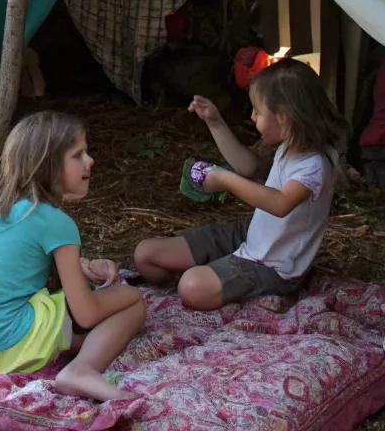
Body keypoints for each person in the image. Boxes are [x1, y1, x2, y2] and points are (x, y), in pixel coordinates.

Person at [0, 110, 146, 402]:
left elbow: (22, 267)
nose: (90, 161)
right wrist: (120, 293)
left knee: (88, 309)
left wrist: (83, 268)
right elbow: (86, 312)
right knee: (132, 300)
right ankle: (82, 370)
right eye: (78, 155)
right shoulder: (56, 223)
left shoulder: (0, 210)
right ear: (47, 166)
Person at [134, 58, 345, 309]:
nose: (252, 116)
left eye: (258, 111)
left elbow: (280, 204)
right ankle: (214, 277)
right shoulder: (290, 146)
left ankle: (213, 279)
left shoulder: (315, 165)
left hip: (273, 266)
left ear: (284, 118)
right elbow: (247, 167)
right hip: (250, 234)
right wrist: (215, 122)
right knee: (145, 254)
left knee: (191, 287)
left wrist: (225, 180)